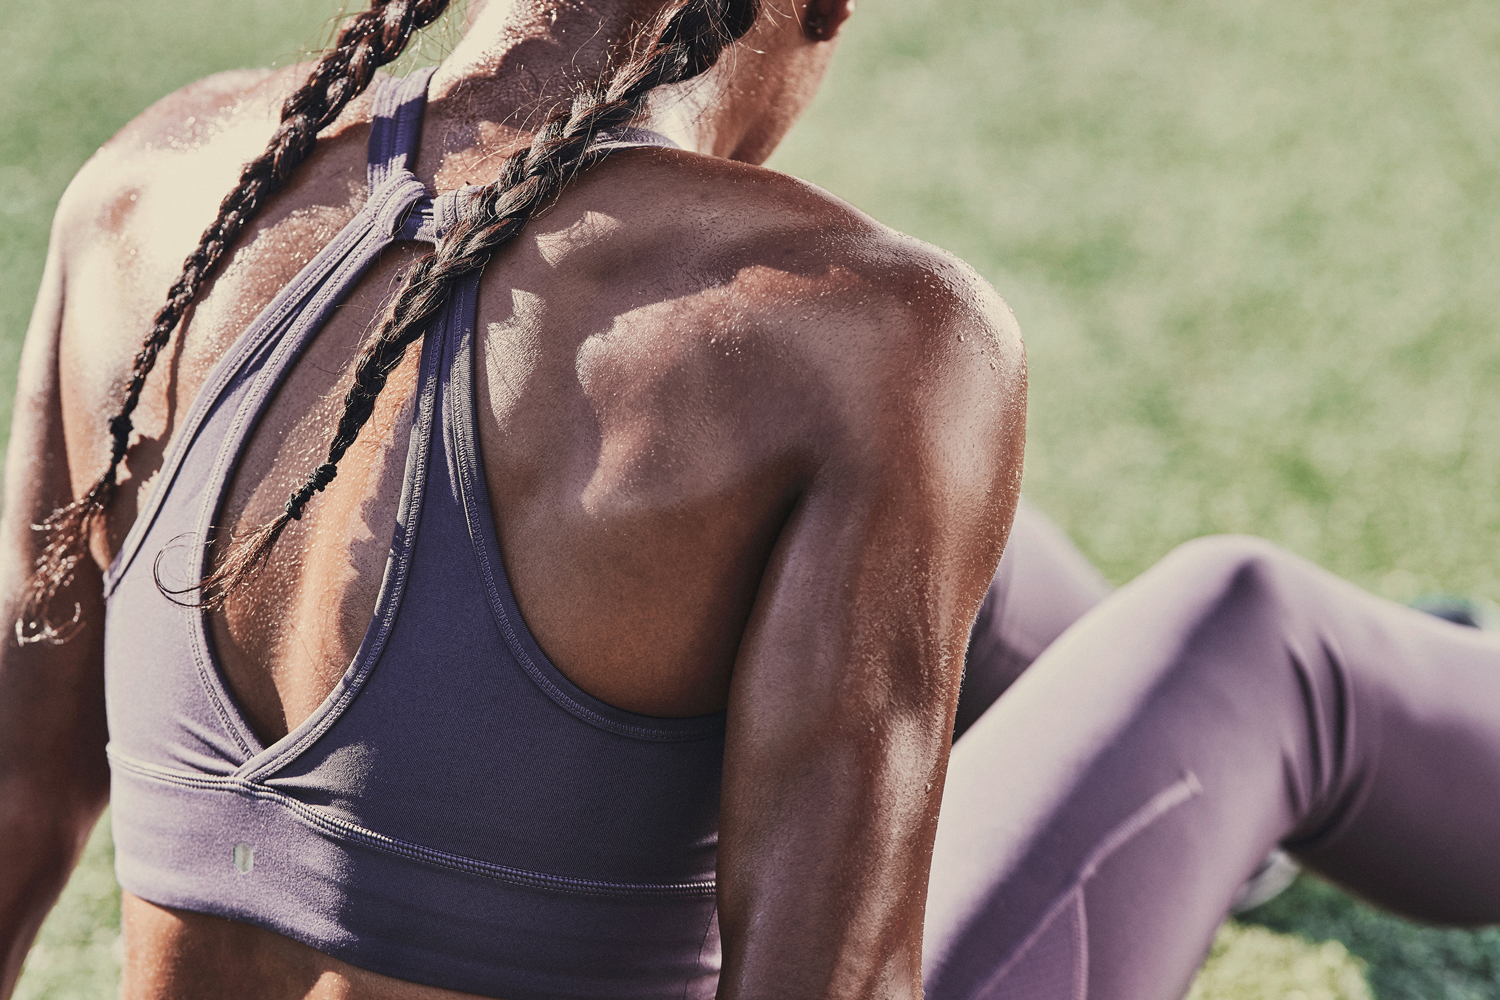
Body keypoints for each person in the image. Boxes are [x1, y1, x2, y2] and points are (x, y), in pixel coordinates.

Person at [4, 3, 1500, 1000]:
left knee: (908, 561)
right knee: (1246, 636)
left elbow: (17, 789)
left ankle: (1170, 791)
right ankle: (1259, 792)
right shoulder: (859, 338)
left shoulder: (154, 192)